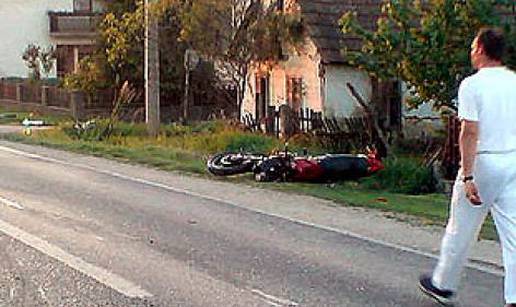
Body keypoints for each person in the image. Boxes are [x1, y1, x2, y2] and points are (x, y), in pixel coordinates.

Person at [419, 27, 516, 307]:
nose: (471, 51)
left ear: (482, 50)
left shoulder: (472, 85)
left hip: (484, 161)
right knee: (513, 233)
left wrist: (469, 175)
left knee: (461, 227)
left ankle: (444, 285)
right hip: (512, 160)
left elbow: (470, 131)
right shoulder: (513, 82)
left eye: (474, 47)